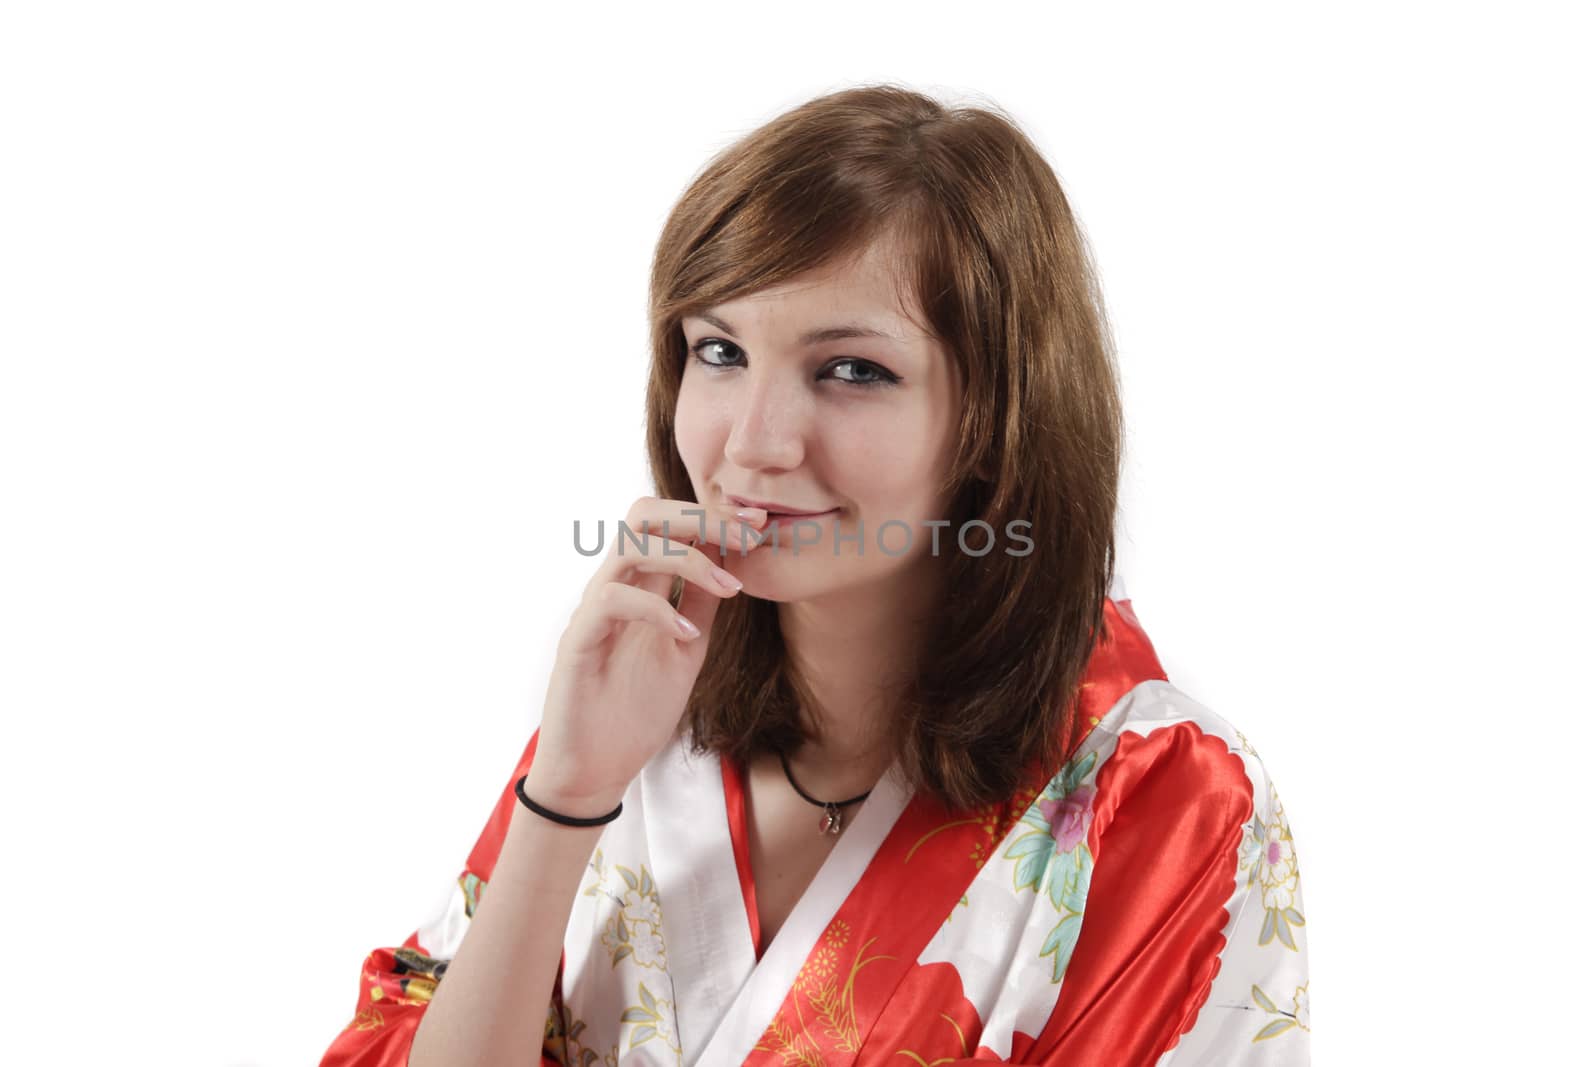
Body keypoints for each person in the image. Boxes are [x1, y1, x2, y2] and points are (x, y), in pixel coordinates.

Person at [319, 84, 1310, 1067]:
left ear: (995, 413)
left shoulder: (1158, 790)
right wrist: (567, 788)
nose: (752, 442)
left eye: (849, 369)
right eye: (718, 350)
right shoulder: (640, 708)